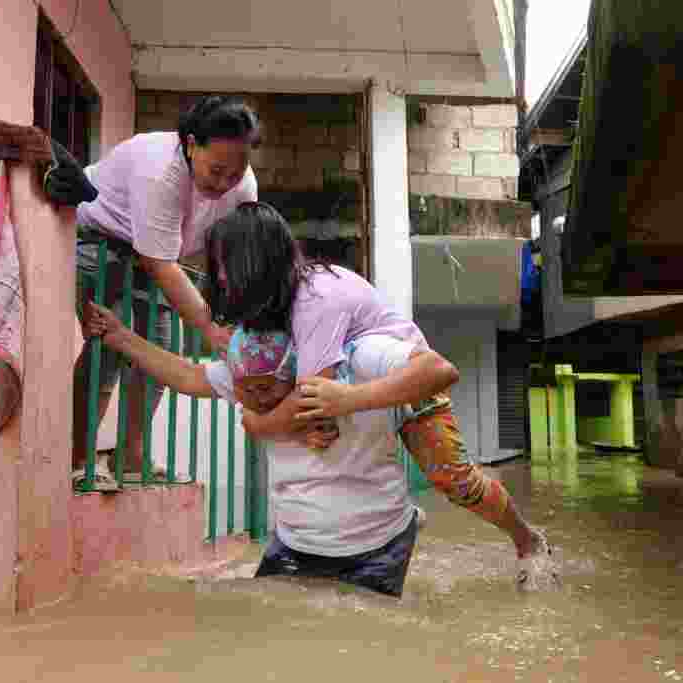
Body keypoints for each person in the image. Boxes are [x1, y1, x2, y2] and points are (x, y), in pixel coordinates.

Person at [203, 203, 557, 588]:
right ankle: (398, 521)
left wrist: (257, 423)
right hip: (350, 386)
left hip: (406, 384)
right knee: (320, 438)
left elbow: (309, 397)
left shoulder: (315, 297)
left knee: (457, 482)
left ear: (254, 262)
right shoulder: (275, 304)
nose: (220, 276)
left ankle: (528, 540)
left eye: (226, 265)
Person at [83, 307, 458, 597]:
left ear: (296, 375)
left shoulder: (353, 360)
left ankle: (412, 520)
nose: (257, 397)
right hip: (297, 542)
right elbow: (186, 375)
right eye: (247, 389)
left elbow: (439, 371)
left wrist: (351, 399)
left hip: (377, 542)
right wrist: (121, 337)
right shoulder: (248, 377)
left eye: (268, 388)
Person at [72, 96, 260, 490]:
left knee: (158, 347)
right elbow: (159, 263)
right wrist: (212, 331)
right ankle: (78, 458)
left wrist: (234, 315)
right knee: (108, 343)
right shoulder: (159, 171)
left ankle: (130, 454)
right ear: (191, 145)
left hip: (158, 255)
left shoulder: (243, 185)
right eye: (217, 170)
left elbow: (230, 253)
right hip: (100, 242)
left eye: (235, 173)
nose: (226, 183)